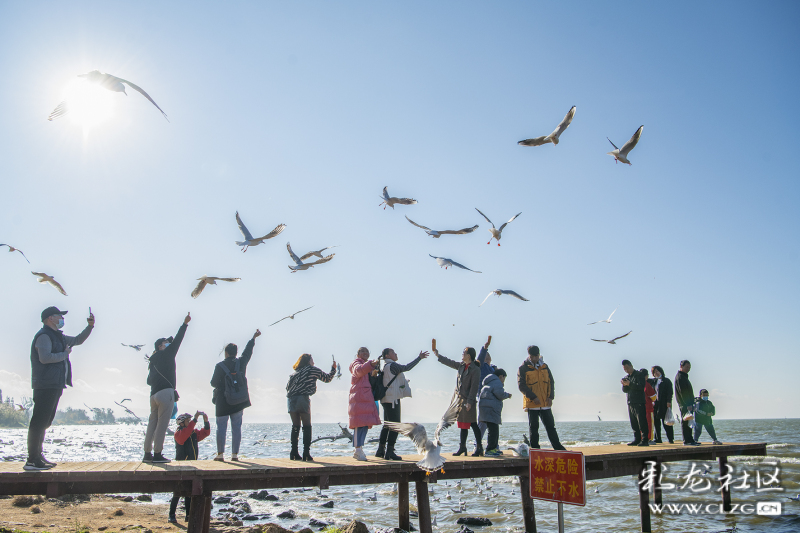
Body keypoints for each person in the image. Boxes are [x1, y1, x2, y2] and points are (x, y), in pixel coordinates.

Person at [26, 306, 95, 471]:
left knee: (45, 421)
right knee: (39, 421)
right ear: (50, 318)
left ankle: (38, 456)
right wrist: (65, 354)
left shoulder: (59, 337)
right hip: (44, 384)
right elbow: (45, 358)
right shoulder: (43, 336)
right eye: (59, 316)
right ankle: (32, 459)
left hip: (55, 384)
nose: (61, 319)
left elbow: (78, 340)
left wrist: (90, 327)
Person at [144, 312, 191, 463]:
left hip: (153, 396)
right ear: (160, 346)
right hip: (165, 394)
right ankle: (157, 454)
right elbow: (178, 340)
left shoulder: (153, 360)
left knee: (152, 424)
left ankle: (147, 454)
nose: (168, 344)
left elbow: (148, 381)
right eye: (165, 343)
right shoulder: (168, 354)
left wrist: (167, 340)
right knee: (162, 425)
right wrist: (185, 324)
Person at [210, 329, 260, 461]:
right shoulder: (241, 362)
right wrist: (253, 338)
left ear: (226, 353)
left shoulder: (220, 366)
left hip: (223, 401)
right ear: (236, 353)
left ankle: (220, 455)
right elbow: (248, 352)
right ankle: (235, 455)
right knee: (236, 428)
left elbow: (213, 383)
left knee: (221, 427)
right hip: (239, 400)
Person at [376, 348, 429, 460]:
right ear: (387, 355)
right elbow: (407, 367)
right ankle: (389, 451)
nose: (396, 353)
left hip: (386, 399)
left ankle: (380, 450)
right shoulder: (392, 365)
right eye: (393, 352)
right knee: (396, 426)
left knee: (387, 425)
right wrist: (419, 358)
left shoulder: (385, 366)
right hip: (392, 400)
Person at [286, 353, 337, 461]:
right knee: (306, 426)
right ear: (309, 360)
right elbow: (327, 378)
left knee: (295, 426)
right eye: (312, 359)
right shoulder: (312, 369)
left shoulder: (294, 373)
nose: (313, 361)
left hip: (291, 399)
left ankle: (293, 452)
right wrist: (333, 369)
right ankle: (306, 453)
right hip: (302, 398)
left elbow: (287, 387)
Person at [434, 345, 482, 456]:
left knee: (473, 423)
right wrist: (438, 355)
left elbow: (474, 387)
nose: (462, 354)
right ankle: (462, 447)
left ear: (469, 355)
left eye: (464, 352)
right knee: (462, 424)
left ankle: (479, 447)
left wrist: (470, 401)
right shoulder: (461, 365)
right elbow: (449, 362)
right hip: (459, 400)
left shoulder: (475, 369)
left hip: (468, 400)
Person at [517, 345, 566, 451]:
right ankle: (535, 449)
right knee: (534, 428)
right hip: (532, 404)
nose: (535, 358)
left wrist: (551, 397)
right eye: (532, 356)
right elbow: (521, 386)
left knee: (551, 427)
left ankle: (558, 448)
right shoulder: (523, 368)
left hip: (545, 404)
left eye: (536, 356)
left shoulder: (545, 366)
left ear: (539, 355)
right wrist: (533, 397)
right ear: (529, 356)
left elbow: (551, 382)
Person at [169, 411, 210, 523]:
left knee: (189, 493)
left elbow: (206, 433)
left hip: (192, 465)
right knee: (177, 491)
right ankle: (171, 514)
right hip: (181, 466)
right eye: (188, 421)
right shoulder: (178, 433)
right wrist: (195, 419)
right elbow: (183, 436)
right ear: (181, 423)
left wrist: (206, 421)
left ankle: (188, 515)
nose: (190, 423)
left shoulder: (193, 432)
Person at [349, 347, 381, 461]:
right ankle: (357, 450)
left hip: (366, 397)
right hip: (359, 396)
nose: (365, 353)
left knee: (365, 424)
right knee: (359, 424)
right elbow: (358, 371)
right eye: (362, 351)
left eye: (367, 351)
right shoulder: (356, 363)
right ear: (357, 354)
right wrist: (370, 364)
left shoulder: (366, 365)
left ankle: (359, 449)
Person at [478, 368, 512, 457]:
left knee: (492, 430)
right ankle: (490, 450)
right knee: (493, 431)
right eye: (504, 378)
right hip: (491, 410)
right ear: (501, 376)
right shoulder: (497, 382)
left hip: (485, 409)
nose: (503, 381)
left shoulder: (488, 382)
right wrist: (507, 395)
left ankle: (493, 449)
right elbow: (500, 394)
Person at [474, 336, 496, 452]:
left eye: (488, 354)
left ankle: (493, 446)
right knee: (482, 422)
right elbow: (480, 358)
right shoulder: (481, 366)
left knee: (493, 423)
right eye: (486, 354)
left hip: (493, 399)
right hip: (483, 396)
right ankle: (477, 445)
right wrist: (484, 348)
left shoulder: (493, 369)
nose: (487, 355)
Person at [621, 360, 649, 446]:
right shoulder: (627, 377)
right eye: (624, 369)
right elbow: (625, 391)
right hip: (630, 402)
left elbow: (641, 387)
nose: (626, 370)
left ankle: (645, 440)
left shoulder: (639, 375)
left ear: (631, 365)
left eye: (627, 368)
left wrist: (630, 384)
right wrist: (624, 384)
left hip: (639, 401)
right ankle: (637, 439)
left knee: (642, 421)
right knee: (633, 422)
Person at [674, 360, 699, 446]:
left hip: (687, 403)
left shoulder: (684, 376)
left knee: (689, 421)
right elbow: (682, 392)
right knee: (686, 421)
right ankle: (687, 440)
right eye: (687, 367)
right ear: (681, 366)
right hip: (685, 404)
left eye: (689, 367)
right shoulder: (680, 377)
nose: (688, 369)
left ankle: (690, 439)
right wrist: (688, 404)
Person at [649, 365, 674, 444]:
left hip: (664, 403)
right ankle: (658, 438)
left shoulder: (666, 381)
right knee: (656, 422)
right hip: (655, 403)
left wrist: (669, 401)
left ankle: (670, 438)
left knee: (666, 421)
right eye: (654, 372)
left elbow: (670, 392)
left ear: (661, 371)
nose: (656, 373)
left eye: (657, 371)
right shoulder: (653, 381)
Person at [641, 368, 658, 443]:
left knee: (641, 424)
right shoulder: (646, 384)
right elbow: (654, 397)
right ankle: (649, 439)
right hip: (648, 407)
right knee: (649, 424)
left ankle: (641, 438)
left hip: (640, 408)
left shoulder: (637, 384)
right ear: (646, 376)